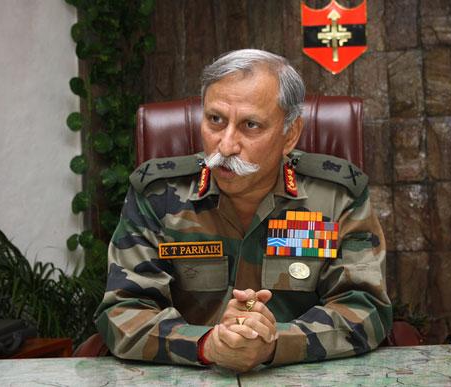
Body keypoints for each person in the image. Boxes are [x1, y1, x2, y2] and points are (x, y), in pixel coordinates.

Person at [95, 49, 392, 372]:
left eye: (251, 125)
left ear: (289, 134)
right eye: (215, 120)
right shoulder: (157, 194)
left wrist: (275, 343)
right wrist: (207, 345)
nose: (225, 146)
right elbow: (123, 311)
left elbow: (365, 309)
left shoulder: (336, 196)